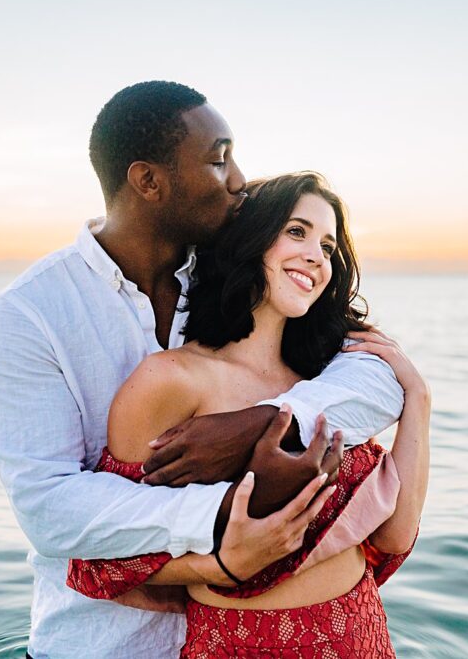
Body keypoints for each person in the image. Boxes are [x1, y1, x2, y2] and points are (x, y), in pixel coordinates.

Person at [0, 81, 406, 659]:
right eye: (218, 159)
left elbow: (377, 378)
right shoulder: (33, 311)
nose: (237, 180)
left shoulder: (231, 284)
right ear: (149, 181)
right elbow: (47, 508)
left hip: (226, 635)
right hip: (104, 642)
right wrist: (227, 523)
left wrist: (264, 423)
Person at [67, 172, 431, 658]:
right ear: (249, 238)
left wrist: (419, 400)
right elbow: (103, 555)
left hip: (358, 635)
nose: (316, 257)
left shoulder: (325, 382)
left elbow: (394, 533)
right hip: (238, 644)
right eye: (296, 231)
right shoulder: (171, 380)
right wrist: (225, 561)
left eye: (328, 246)